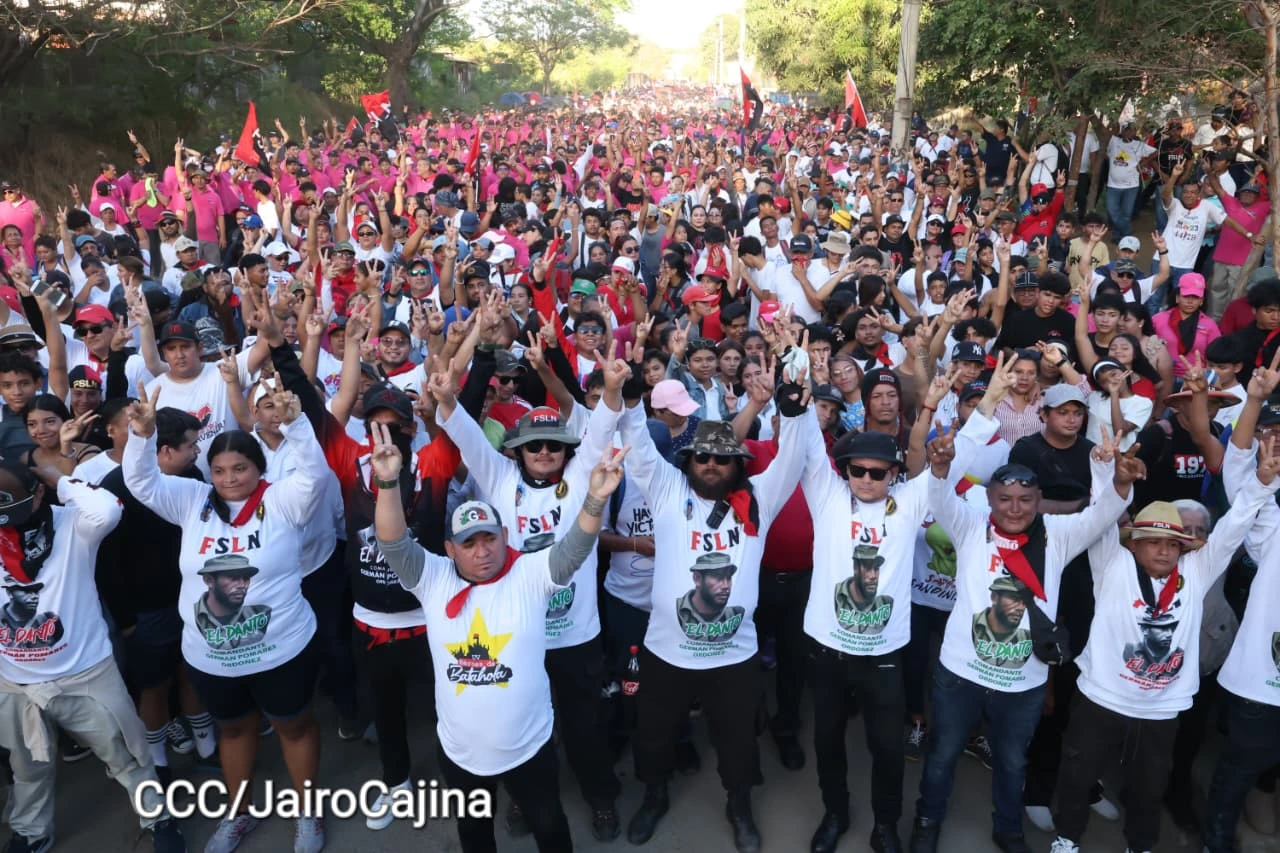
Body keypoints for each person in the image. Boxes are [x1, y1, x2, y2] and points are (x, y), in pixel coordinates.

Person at [909, 400, 1140, 853]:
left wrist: (1119, 481)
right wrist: (939, 468)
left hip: (1024, 682)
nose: (1014, 509)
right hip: (961, 673)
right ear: (990, 500)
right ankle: (926, 821)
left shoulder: (1058, 534)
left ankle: (1008, 830)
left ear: (1039, 501)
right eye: (1004, 499)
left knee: (1013, 762)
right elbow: (939, 498)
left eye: (1025, 500)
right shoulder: (970, 526)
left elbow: (1103, 514)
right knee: (942, 755)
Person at [616, 335, 808, 853]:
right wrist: (630, 395)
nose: (711, 464)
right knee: (655, 734)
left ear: (738, 464)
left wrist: (790, 408)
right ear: (688, 459)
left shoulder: (759, 497)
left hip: (734, 655)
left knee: (738, 741)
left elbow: (793, 456)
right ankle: (654, 796)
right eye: (702, 456)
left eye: (723, 458)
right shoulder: (666, 490)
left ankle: (739, 806)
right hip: (666, 652)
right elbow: (636, 443)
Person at [432, 326, 626, 839]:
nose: (544, 451)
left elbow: (601, 429)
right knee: (519, 725)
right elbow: (465, 435)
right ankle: (525, 797)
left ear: (566, 450)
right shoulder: (498, 477)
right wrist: (449, 397)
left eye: (554, 445)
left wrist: (610, 390)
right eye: (533, 444)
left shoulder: (581, 476)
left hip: (575, 634)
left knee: (584, 725)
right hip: (516, 635)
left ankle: (601, 798)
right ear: (517, 449)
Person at [1050, 423, 1280, 853]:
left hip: (1161, 708)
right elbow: (1101, 515)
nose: (1162, 550)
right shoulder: (1111, 563)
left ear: (1183, 549)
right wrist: (1108, 476)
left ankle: (1139, 845)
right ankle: (1066, 839)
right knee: (1078, 775)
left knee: (1149, 786)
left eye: (1172, 544)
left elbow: (1232, 528)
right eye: (1152, 542)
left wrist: (1261, 485)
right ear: (1133, 544)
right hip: (1101, 696)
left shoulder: (1197, 570)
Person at [123, 382, 328, 853]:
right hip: (212, 658)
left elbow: (315, 476)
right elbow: (142, 482)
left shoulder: (283, 500)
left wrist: (296, 423)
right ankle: (239, 814)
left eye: (240, 468)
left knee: (294, 727)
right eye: (219, 470)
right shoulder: (192, 501)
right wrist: (142, 434)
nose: (229, 479)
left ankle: (308, 813)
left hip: (281, 650)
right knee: (233, 729)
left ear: (260, 468)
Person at [0, 460, 186, 853]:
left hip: (86, 673)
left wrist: (56, 477)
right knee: (26, 766)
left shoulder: (72, 525)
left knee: (128, 753)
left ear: (38, 494)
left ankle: (157, 816)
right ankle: (31, 831)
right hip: (15, 681)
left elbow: (108, 510)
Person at [795, 368, 944, 853]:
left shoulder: (910, 502)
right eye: (856, 470)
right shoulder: (828, 496)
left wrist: (976, 406)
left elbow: (950, 456)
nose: (864, 479)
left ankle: (885, 825)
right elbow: (809, 443)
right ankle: (834, 813)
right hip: (827, 651)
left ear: (894, 475)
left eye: (877, 473)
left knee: (887, 748)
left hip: (883, 656)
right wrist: (796, 386)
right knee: (827, 741)